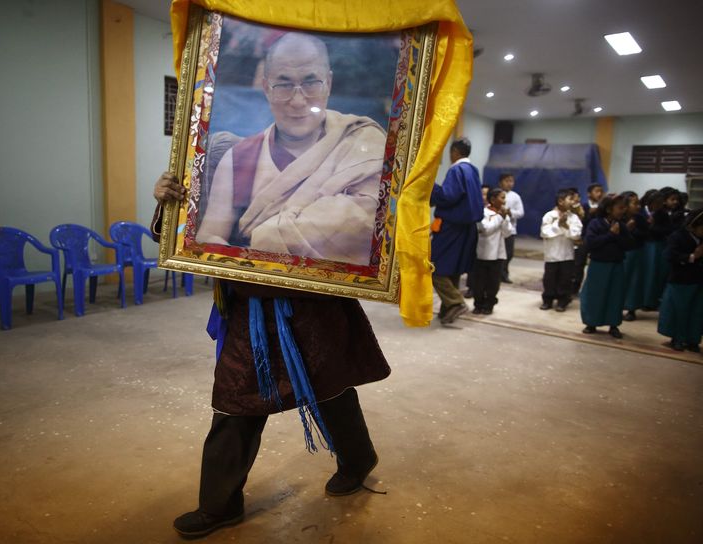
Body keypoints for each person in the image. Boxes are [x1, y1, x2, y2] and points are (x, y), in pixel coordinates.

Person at [152, 173, 391, 538]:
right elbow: (185, 235)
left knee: (331, 389)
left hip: (316, 302)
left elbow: (361, 230)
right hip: (251, 307)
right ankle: (220, 504)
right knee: (235, 402)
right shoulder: (228, 160)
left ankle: (358, 461)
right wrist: (168, 204)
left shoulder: (342, 158)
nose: (292, 110)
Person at [196, 32, 386, 266]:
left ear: (328, 83)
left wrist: (266, 241)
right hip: (253, 297)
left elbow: (369, 226)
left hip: (329, 300)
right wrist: (246, 270)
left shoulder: (361, 143)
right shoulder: (238, 158)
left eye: (310, 83)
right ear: (266, 88)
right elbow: (209, 235)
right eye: (284, 85)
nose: (298, 100)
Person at [430, 137, 485, 324]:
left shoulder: (456, 169)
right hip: (468, 228)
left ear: (454, 152)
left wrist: (429, 186)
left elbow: (448, 196)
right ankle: (447, 312)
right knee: (452, 269)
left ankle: (455, 302)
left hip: (451, 226)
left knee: (433, 266)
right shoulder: (473, 170)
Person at [579, 194, 634, 338]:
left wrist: (617, 235)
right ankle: (591, 323)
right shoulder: (595, 224)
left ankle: (613, 324)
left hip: (616, 265)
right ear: (609, 209)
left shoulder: (621, 226)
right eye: (620, 208)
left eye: (624, 208)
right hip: (599, 265)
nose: (623, 210)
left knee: (615, 296)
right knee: (595, 295)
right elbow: (590, 244)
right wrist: (610, 235)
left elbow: (629, 244)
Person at [658, 208, 703, 352]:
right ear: (692, 225)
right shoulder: (678, 236)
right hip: (681, 280)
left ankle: (693, 340)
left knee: (696, 311)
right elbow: (669, 255)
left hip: (698, 280)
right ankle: (677, 338)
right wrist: (692, 257)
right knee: (679, 311)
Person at [540, 189, 582, 312]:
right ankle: (547, 300)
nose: (573, 202)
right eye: (570, 199)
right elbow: (544, 232)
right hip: (551, 254)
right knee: (549, 279)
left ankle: (562, 301)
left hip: (567, 254)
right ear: (560, 201)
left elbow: (576, 235)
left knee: (565, 279)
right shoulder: (549, 215)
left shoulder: (574, 217)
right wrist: (558, 224)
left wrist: (566, 226)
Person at [472, 188, 514, 314]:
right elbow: (485, 229)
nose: (504, 201)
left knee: (493, 283)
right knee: (479, 282)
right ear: (492, 199)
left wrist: (504, 219)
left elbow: (507, 233)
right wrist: (500, 218)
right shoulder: (483, 213)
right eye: (502, 198)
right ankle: (478, 304)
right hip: (482, 253)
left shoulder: (502, 214)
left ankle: (489, 305)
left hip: (498, 255)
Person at [642, 191, 673, 310]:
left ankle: (652, 301)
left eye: (661, 202)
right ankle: (644, 300)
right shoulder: (643, 212)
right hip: (645, 246)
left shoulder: (663, 214)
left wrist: (652, 227)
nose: (660, 205)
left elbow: (668, 229)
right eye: (657, 202)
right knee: (646, 274)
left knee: (656, 274)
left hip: (658, 245)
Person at [621, 191, 649, 321]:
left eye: (639, 203)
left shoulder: (640, 218)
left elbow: (646, 234)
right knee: (620, 281)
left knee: (635, 281)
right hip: (621, 254)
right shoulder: (619, 217)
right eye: (635, 203)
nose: (638, 206)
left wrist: (634, 230)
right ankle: (617, 306)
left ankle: (631, 309)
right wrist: (627, 229)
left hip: (636, 252)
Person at [572, 183, 605, 294]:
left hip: (598, 240)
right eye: (596, 191)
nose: (599, 194)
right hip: (584, 239)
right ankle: (575, 288)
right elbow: (580, 223)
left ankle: (594, 289)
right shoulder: (583, 207)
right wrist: (589, 214)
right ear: (589, 194)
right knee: (578, 264)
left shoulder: (604, 208)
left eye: (601, 191)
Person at [463, 183, 491, 299]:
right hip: (473, 240)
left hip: (487, 243)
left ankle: (483, 288)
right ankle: (471, 288)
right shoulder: (473, 206)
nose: (483, 197)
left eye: (486, 194)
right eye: (482, 194)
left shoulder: (491, 209)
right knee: (473, 265)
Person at [498, 173, 524, 283]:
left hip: (510, 229)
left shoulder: (515, 196)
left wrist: (510, 212)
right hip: (496, 229)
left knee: (509, 253)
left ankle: (504, 274)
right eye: (507, 181)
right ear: (500, 182)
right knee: (497, 254)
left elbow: (521, 213)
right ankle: (497, 274)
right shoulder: (495, 194)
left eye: (511, 181)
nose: (509, 183)